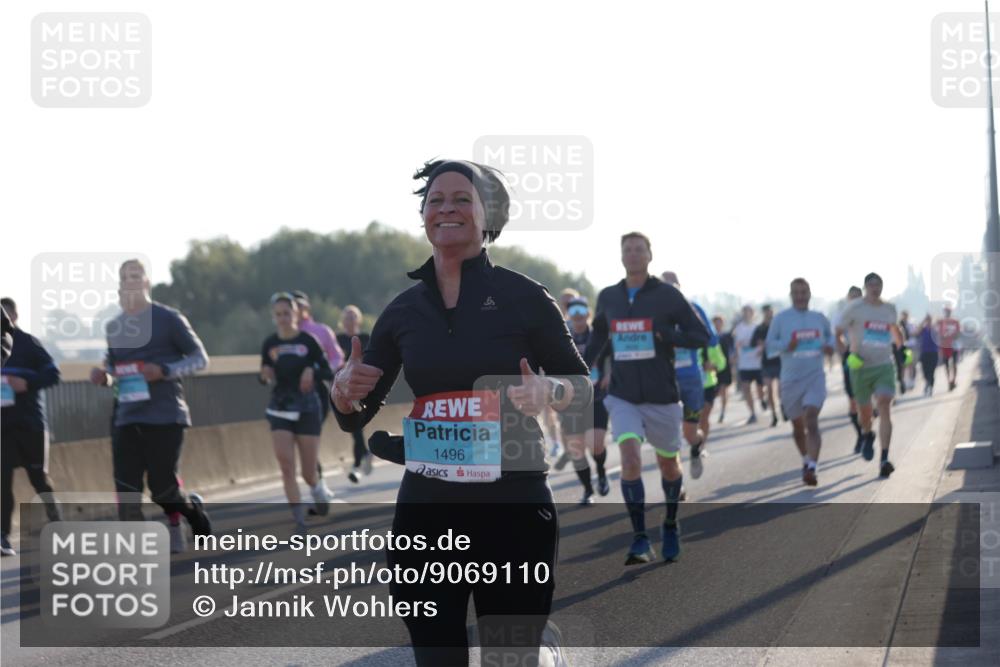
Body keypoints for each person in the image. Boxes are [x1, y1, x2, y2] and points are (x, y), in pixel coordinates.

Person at [331, 159, 591, 666]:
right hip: (428, 506)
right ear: (423, 215)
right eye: (436, 200)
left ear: (487, 214)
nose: (446, 209)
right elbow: (357, 411)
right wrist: (343, 395)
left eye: (462, 199)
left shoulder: (524, 297)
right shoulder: (403, 311)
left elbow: (581, 387)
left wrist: (550, 389)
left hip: (512, 502)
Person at [583, 233, 710, 564]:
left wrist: (667, 335)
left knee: (669, 464)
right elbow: (598, 335)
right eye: (627, 250)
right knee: (629, 459)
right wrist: (580, 368)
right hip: (623, 394)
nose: (633, 254)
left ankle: (670, 522)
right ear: (621, 256)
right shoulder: (609, 296)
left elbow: (702, 336)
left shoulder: (667, 295)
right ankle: (640, 538)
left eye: (639, 249)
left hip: (661, 395)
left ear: (649, 255)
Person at [89, 259, 212, 553]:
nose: (130, 281)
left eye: (136, 276)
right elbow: (115, 371)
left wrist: (165, 370)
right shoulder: (114, 327)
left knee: (163, 489)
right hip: (126, 418)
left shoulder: (169, 319)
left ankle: (193, 512)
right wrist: (104, 378)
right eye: (125, 277)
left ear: (146, 282)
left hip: (165, 416)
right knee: (127, 493)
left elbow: (200, 359)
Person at [260, 292, 335, 530]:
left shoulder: (308, 341)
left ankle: (317, 489)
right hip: (280, 407)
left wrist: (312, 371)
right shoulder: (270, 343)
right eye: (278, 314)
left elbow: (328, 370)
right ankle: (299, 519)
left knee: (308, 472)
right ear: (274, 317)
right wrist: (264, 375)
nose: (283, 318)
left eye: (287, 313)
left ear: (296, 314)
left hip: (307, 408)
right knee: (286, 465)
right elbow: (264, 372)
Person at [1, 298, 61, 557]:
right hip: (3, 428)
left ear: (14, 316)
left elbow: (53, 374)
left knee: (39, 480)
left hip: (30, 425)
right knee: (2, 482)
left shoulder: (28, 343)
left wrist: (27, 383)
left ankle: (55, 519)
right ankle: (3, 536)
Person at [764, 280, 835, 486]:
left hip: (815, 377)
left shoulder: (819, 317)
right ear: (791, 295)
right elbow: (770, 346)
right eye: (796, 292)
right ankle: (805, 458)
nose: (800, 296)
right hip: (790, 380)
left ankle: (812, 466)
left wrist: (830, 347)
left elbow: (830, 338)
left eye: (804, 292)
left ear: (810, 294)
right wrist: (787, 345)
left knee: (811, 419)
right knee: (797, 426)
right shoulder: (781, 319)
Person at [840, 273, 908, 478]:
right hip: (860, 367)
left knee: (884, 404)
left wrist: (901, 347)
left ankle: (884, 459)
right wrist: (846, 353)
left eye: (879, 284)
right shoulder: (854, 308)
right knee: (865, 413)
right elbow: (837, 332)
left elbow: (895, 329)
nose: (875, 288)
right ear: (865, 288)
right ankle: (867, 434)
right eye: (871, 285)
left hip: (883, 364)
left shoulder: (889, 308)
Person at [553, 297, 611, 504]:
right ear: (568, 314)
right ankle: (588, 491)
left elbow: (613, 356)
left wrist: (609, 373)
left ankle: (601, 472)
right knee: (576, 450)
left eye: (581, 310)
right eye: (573, 311)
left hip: (597, 397)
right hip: (571, 401)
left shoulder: (599, 335)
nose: (577, 315)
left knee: (595, 444)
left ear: (588, 313)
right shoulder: (561, 336)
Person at [661, 271, 715, 479]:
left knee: (690, 433)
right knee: (669, 436)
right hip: (665, 379)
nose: (670, 291)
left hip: (691, 379)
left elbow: (710, 338)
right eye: (665, 287)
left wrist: (676, 337)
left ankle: (695, 448)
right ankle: (675, 483)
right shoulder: (654, 311)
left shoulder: (693, 309)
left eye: (673, 286)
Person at [292, 290, 343, 495]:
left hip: (317, 391)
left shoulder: (320, 331)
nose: (296, 310)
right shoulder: (284, 335)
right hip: (291, 394)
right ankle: (317, 482)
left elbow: (336, 357)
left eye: (299, 305)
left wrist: (320, 371)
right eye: (292, 306)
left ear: (306, 308)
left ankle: (318, 483)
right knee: (299, 438)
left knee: (309, 437)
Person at [335, 305, 373, 483]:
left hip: (361, 385)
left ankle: (359, 463)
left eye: (353, 316)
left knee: (355, 424)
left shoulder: (365, 338)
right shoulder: (338, 339)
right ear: (342, 321)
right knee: (355, 426)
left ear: (359, 320)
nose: (350, 320)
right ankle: (362, 458)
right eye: (347, 317)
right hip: (342, 388)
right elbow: (333, 359)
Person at [833, 286, 865, 452]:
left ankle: (867, 429)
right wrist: (844, 349)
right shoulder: (842, 315)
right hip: (851, 358)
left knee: (867, 400)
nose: (855, 299)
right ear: (848, 298)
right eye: (852, 297)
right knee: (853, 401)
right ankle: (860, 436)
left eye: (858, 296)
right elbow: (836, 335)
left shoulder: (869, 312)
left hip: (869, 357)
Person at [733, 305, 764, 425]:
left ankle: (762, 399)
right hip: (744, 364)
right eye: (744, 312)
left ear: (752, 313)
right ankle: (752, 413)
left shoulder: (757, 327)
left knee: (760, 389)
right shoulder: (738, 328)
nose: (746, 314)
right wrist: (735, 357)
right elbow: (736, 345)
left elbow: (762, 343)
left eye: (748, 312)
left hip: (757, 363)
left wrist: (761, 350)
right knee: (746, 389)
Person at [753, 305, 783, 427]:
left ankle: (783, 406)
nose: (769, 314)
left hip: (780, 361)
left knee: (781, 389)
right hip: (766, 362)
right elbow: (754, 343)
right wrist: (760, 344)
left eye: (770, 312)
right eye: (766, 312)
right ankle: (774, 415)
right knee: (769, 390)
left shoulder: (778, 326)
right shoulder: (759, 328)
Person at [712, 315, 734, 423]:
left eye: (720, 322)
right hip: (713, 367)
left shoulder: (727, 336)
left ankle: (723, 412)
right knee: (715, 391)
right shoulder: (710, 336)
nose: (718, 324)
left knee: (724, 389)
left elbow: (732, 349)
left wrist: (733, 358)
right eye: (716, 322)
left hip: (725, 367)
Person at [936, 306, 961, 391]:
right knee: (946, 364)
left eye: (948, 312)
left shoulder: (955, 321)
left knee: (954, 364)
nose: (947, 313)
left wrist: (951, 336)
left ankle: (953, 380)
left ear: (950, 312)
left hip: (954, 345)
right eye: (945, 312)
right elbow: (939, 334)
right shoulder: (941, 322)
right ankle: (949, 381)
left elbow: (958, 333)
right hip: (945, 345)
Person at [918, 314, 939, 395]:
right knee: (924, 371)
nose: (928, 322)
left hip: (933, 352)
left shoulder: (934, 329)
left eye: (929, 320)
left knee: (932, 371)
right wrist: (923, 321)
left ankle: (931, 387)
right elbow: (916, 332)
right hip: (924, 352)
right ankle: (927, 383)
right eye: (927, 320)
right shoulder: (923, 329)